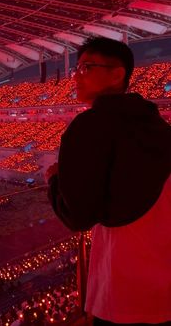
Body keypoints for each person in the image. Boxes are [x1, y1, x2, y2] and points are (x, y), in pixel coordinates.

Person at [45, 37, 171, 325]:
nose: (75, 76)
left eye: (86, 67)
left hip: (122, 287)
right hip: (164, 280)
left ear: (117, 74)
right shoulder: (158, 125)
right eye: (75, 69)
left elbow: (77, 216)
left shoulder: (88, 126)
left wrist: (53, 180)